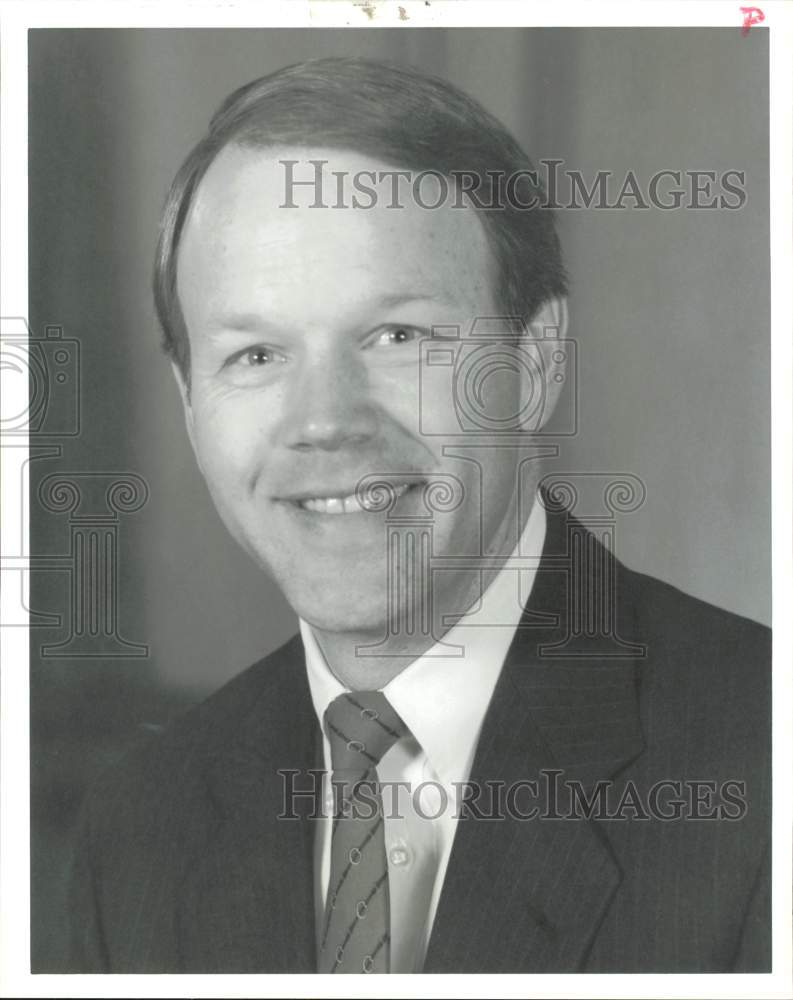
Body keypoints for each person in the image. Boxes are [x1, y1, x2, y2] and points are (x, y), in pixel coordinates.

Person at [67, 57, 771, 974]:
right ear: (188, 400)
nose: (323, 422)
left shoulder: (761, 758)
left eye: (397, 337)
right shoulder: (138, 830)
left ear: (535, 361)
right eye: (254, 354)